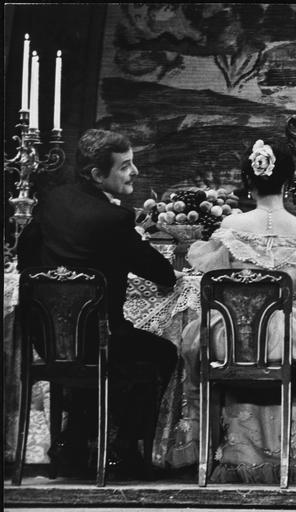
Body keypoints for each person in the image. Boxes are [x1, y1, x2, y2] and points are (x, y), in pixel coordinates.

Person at [166, 138, 296, 483]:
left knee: (195, 345)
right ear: (288, 181)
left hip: (229, 341)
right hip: (289, 340)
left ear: (249, 181)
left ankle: (213, 449)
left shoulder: (230, 230)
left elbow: (214, 291)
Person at [17, 128, 182, 477]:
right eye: (125, 166)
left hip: (48, 339)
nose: (134, 172)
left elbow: (26, 254)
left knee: (105, 349)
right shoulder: (114, 219)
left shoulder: (52, 200)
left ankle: (72, 443)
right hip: (100, 341)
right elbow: (162, 273)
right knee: (160, 353)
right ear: (96, 174)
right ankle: (123, 451)